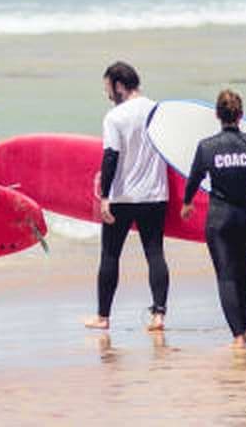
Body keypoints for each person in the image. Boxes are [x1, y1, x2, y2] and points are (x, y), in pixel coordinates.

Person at [181, 90, 246, 349]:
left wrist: (187, 203)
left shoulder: (207, 147)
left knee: (226, 277)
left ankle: (238, 335)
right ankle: (244, 331)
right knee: (243, 274)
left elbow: (194, 178)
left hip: (220, 219)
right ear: (241, 115)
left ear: (217, 115)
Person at [84, 62, 170, 331]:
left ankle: (103, 317)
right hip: (155, 195)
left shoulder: (115, 117)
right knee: (155, 253)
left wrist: (105, 196)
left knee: (110, 256)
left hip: (122, 197)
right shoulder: (159, 111)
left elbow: (111, 156)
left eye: (108, 88)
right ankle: (158, 315)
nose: (108, 95)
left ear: (119, 85)